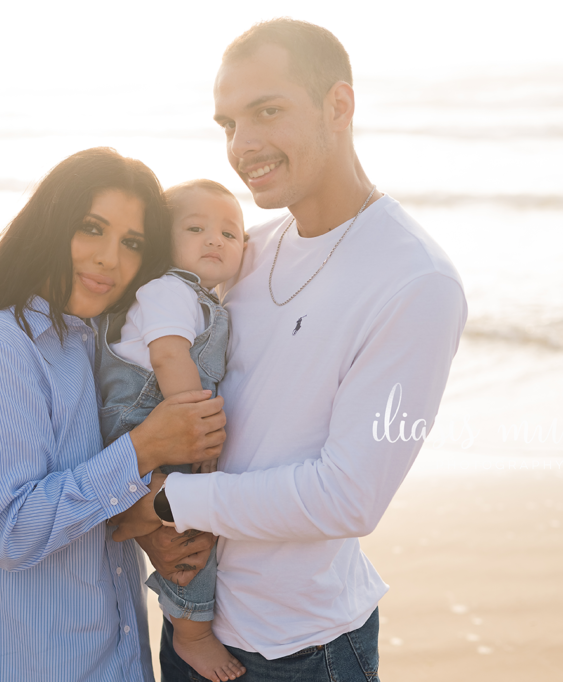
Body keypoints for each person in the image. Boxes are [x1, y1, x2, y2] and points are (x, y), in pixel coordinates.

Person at [115, 19, 469, 681]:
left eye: (267, 111)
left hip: (303, 649)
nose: (242, 146)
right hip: (195, 622)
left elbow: (349, 497)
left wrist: (165, 505)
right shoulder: (243, 251)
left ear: (339, 106)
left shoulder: (416, 282)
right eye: (227, 124)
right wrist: (155, 526)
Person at [0, 147, 226, 682]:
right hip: (23, 663)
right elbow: (13, 531)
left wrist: (149, 522)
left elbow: (87, 496)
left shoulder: (89, 340)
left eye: (132, 243)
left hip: (112, 656)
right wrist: (147, 446)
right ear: (51, 223)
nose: (109, 258)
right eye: (91, 228)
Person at [96, 180, 247, 682]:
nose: (215, 240)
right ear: (166, 240)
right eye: (197, 228)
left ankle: (136, 520)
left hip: (161, 420)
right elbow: (168, 355)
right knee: (190, 532)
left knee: (179, 519)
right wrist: (195, 425)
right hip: (151, 417)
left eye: (230, 233)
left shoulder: (199, 297)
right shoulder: (168, 290)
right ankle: (192, 633)